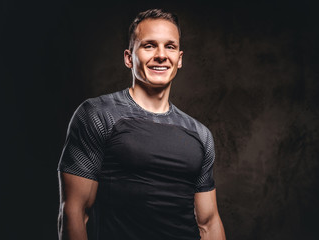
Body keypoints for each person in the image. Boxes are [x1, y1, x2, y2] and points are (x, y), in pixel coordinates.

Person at [57, 8, 226, 240]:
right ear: (129, 58)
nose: (161, 55)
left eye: (170, 46)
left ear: (179, 59)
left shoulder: (200, 134)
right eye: (149, 45)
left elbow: (208, 222)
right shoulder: (98, 115)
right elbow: (74, 211)